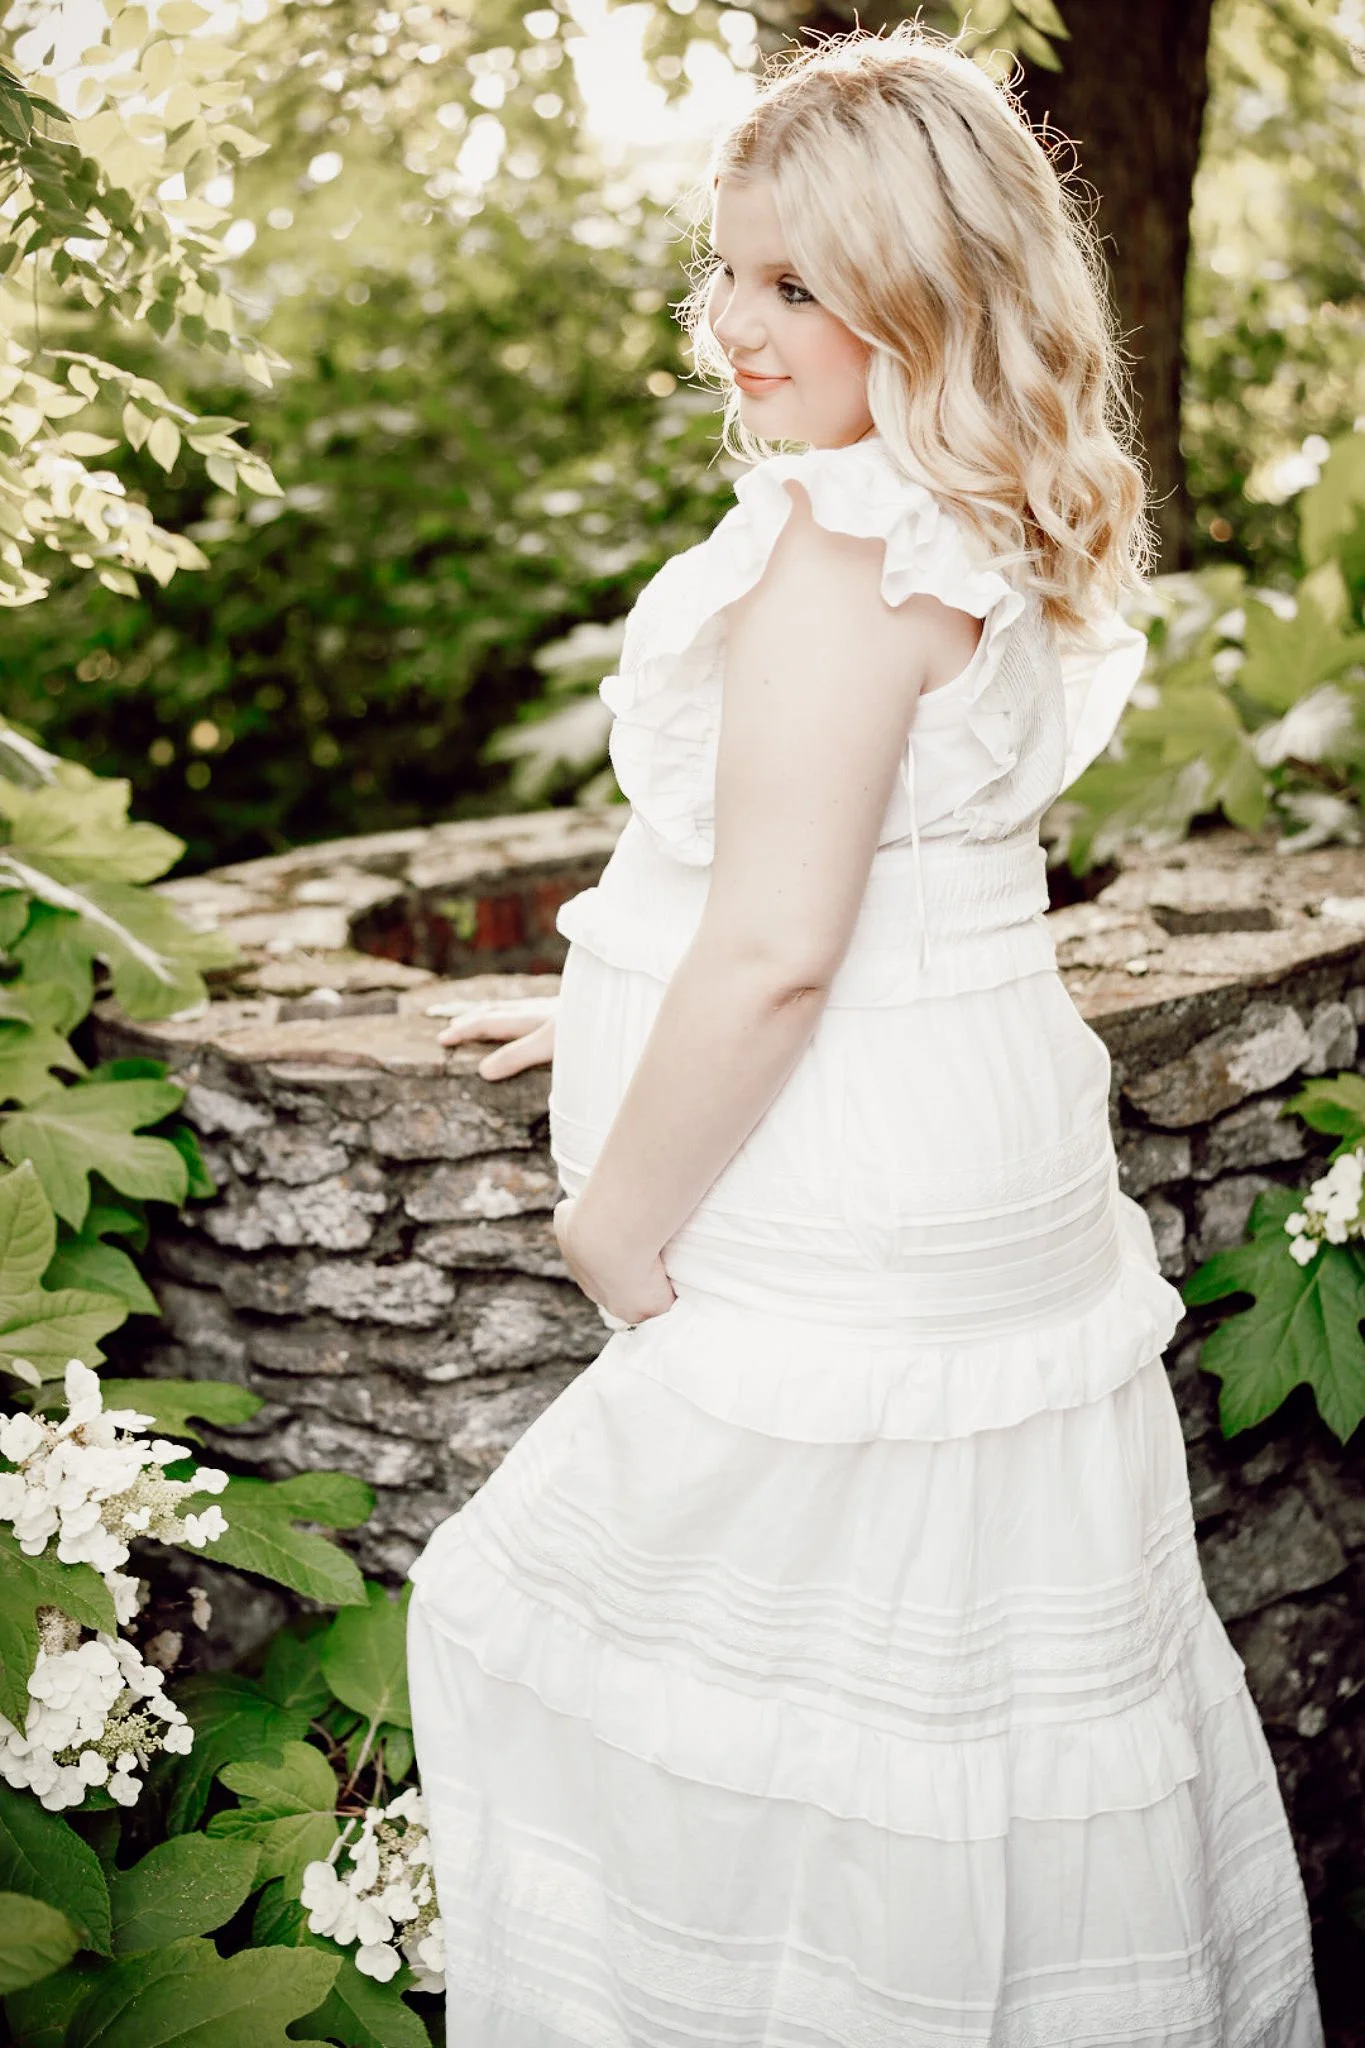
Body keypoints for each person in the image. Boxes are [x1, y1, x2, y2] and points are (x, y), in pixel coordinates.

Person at [405, 22, 1324, 2044]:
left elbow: (782, 948)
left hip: (838, 1190)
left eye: (794, 283)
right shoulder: (977, 507)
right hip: (980, 1141)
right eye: (727, 267)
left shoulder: (846, 554)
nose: (730, 322)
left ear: (924, 289)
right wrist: (574, 986)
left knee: (660, 1684)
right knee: (970, 1716)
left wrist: (613, 1227)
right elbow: (883, 864)